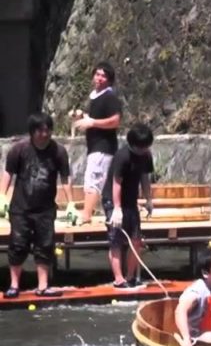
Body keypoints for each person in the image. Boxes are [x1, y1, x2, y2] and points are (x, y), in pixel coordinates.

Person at [0, 113, 77, 298]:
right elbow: (8, 173)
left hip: (45, 209)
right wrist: (2, 196)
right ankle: (14, 285)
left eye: (48, 130)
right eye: (40, 130)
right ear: (32, 131)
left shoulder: (58, 151)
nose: (45, 134)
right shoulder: (19, 150)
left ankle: (43, 286)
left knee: (45, 245)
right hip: (21, 208)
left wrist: (71, 203)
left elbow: (65, 178)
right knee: (18, 245)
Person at [102, 123, 155, 289]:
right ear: (133, 144)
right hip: (113, 199)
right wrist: (116, 208)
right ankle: (119, 279)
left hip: (131, 201)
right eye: (140, 147)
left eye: (145, 147)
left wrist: (148, 199)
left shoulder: (146, 156)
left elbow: (145, 178)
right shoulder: (122, 156)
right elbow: (116, 183)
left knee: (136, 239)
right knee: (116, 239)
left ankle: (131, 277)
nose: (143, 150)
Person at [72, 62, 122, 224]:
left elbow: (115, 120)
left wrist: (92, 122)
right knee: (93, 180)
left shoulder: (109, 97)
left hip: (103, 147)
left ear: (109, 79)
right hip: (94, 145)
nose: (99, 78)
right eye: (97, 74)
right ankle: (91, 213)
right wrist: (82, 116)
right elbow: (95, 118)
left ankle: (86, 215)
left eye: (103, 76)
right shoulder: (95, 96)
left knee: (93, 180)